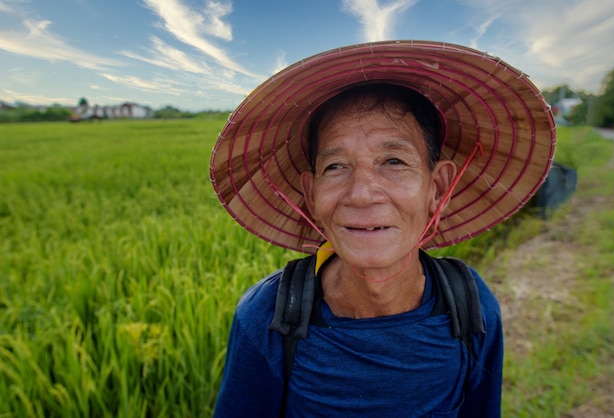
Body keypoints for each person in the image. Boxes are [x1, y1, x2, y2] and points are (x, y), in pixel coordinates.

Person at [210, 40, 556, 417]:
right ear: (311, 194)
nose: (360, 195)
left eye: (393, 161)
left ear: (437, 188)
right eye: (335, 167)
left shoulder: (471, 306)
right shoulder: (268, 317)